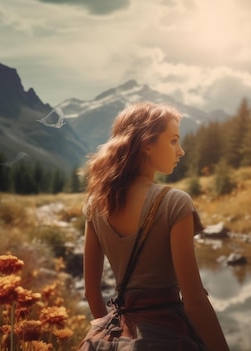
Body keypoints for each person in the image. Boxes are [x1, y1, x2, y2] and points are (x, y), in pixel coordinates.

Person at [83, 102, 229, 350]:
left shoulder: (96, 204)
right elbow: (194, 300)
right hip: (169, 331)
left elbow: (91, 292)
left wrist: (113, 336)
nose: (180, 151)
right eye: (173, 141)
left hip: (114, 333)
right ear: (147, 144)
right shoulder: (175, 202)